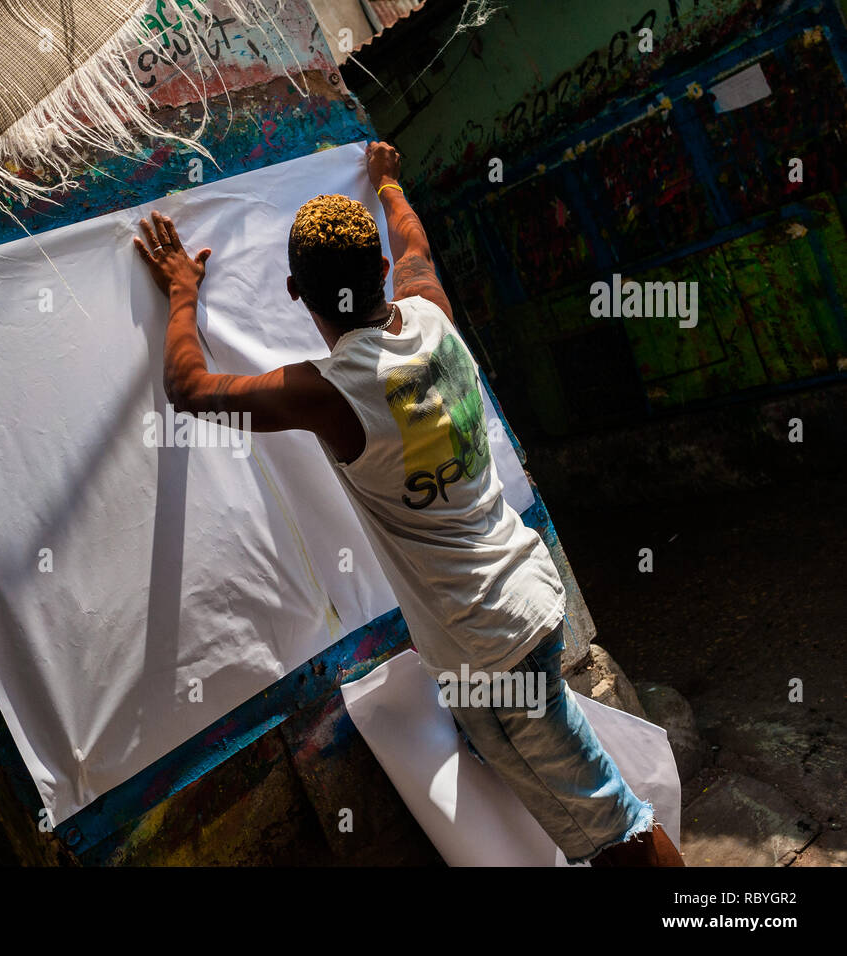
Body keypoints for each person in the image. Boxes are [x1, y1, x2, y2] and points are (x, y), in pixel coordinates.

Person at [131, 140, 685, 867]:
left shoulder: (329, 391)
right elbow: (415, 243)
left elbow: (191, 391)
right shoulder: (431, 313)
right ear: (383, 274)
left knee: (617, 831)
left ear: (296, 292)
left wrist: (179, 289)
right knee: (552, 804)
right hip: (508, 611)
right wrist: (389, 184)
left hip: (496, 642)